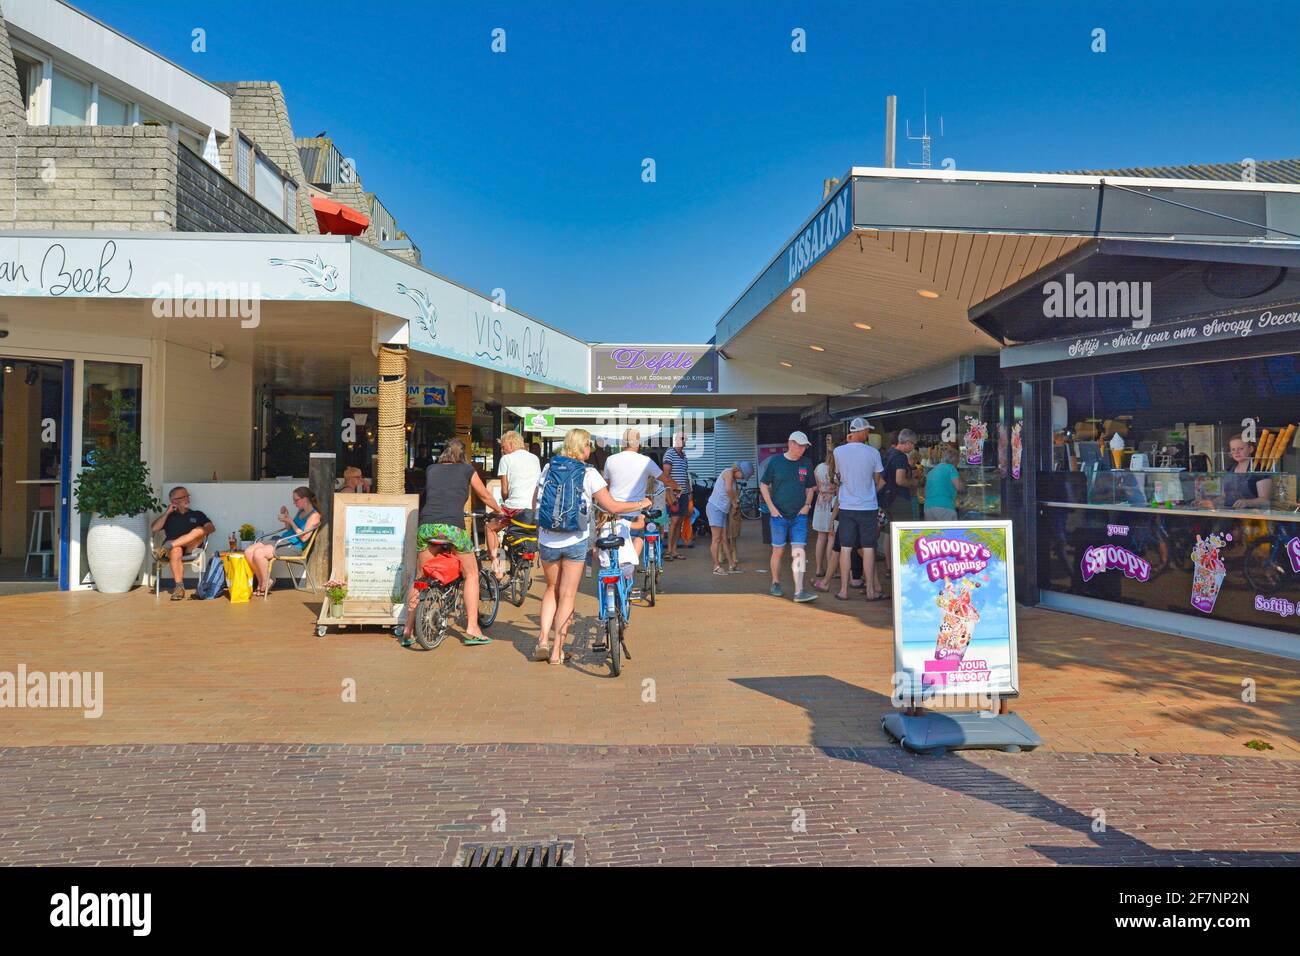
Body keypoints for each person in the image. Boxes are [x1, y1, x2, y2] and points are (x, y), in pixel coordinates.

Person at [532, 428, 649, 666]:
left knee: (551, 589)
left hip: (547, 539)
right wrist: (641, 503)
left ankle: (542, 640)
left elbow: (536, 501)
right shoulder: (589, 473)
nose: (590, 450)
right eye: (588, 446)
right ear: (583, 447)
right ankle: (556, 651)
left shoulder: (548, 468)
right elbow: (612, 507)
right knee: (567, 595)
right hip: (575, 540)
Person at [400, 438, 502, 647]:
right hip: (452, 529)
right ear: (463, 455)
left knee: (422, 575)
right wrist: (500, 511)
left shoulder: (431, 469)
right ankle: (472, 627)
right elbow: (483, 495)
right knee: (471, 574)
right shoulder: (466, 470)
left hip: (426, 527)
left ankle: (408, 629)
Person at [817, 417, 885, 601]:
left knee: (845, 548)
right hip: (868, 506)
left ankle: (843, 590)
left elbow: (839, 475)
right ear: (861, 432)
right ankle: (871, 590)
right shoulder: (873, 453)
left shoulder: (839, 452)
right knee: (869, 548)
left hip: (847, 506)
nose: (868, 434)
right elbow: (877, 479)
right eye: (867, 431)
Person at [602, 427, 680, 567]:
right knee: (636, 540)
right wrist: (677, 487)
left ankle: (618, 571)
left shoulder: (610, 460)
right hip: (636, 511)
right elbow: (665, 479)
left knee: (615, 545)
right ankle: (628, 569)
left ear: (622, 443)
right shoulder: (645, 461)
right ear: (638, 443)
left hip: (614, 511)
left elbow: (605, 486)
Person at [758, 431, 819, 602]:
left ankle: (799, 591)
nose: (802, 449)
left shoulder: (806, 463)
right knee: (778, 550)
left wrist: (807, 505)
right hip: (778, 516)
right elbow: (763, 485)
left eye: (804, 446)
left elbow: (810, 488)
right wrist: (771, 507)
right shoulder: (776, 462)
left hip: (799, 515)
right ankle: (775, 582)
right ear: (790, 443)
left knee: (799, 551)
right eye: (799, 445)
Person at [244, 487, 321, 598]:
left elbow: (304, 538)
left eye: (296, 500)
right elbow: (289, 529)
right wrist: (286, 517)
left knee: (259, 553)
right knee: (249, 551)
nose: (294, 503)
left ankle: (266, 582)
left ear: (305, 499)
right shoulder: (301, 511)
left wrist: (291, 521)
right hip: (283, 541)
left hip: (294, 547)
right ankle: (263, 580)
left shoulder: (314, 516)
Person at [489, 429, 542, 576]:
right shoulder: (535, 459)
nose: (502, 450)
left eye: (503, 446)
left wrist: (504, 504)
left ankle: (497, 567)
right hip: (532, 510)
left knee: (490, 528)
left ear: (512, 444)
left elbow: (504, 491)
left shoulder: (506, 459)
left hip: (514, 509)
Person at [149, 486, 215, 600]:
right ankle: (179, 588)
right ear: (174, 501)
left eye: (187, 496)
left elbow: (211, 528)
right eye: (183, 497)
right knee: (176, 549)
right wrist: (167, 512)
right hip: (174, 551)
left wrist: (200, 532)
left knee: (198, 530)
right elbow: (154, 529)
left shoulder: (197, 514)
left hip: (191, 547)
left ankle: (167, 546)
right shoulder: (169, 517)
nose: (187, 499)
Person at [1196, 435, 1272, 510]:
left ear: (1251, 449)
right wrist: (1210, 502)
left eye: (1240, 448)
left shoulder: (1260, 470)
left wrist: (1248, 502)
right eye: (1233, 449)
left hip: (1252, 517)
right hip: (1230, 515)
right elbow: (1224, 497)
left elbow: (1265, 500)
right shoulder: (1229, 470)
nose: (1236, 452)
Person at [706, 460, 753, 574]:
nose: (742, 478)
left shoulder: (734, 479)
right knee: (716, 539)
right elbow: (728, 489)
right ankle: (716, 567)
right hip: (715, 508)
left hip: (721, 510)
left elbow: (731, 491)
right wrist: (734, 501)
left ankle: (732, 565)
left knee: (724, 539)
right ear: (738, 470)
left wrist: (734, 505)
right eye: (743, 476)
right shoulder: (728, 472)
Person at [662, 431, 691, 561]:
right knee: (674, 522)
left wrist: (689, 492)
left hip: (684, 494)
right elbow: (666, 475)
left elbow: (685, 475)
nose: (683, 441)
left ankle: (674, 551)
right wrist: (670, 492)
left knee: (679, 521)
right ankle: (668, 551)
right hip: (674, 494)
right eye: (681, 438)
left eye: (685, 438)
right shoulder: (670, 453)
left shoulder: (683, 456)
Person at [881, 429, 920, 526]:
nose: (913, 447)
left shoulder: (889, 453)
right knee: (905, 530)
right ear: (908, 443)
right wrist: (913, 482)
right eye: (913, 444)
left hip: (887, 498)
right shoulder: (901, 457)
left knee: (889, 532)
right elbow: (900, 480)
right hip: (899, 498)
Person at [812, 440, 838, 580]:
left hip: (820, 502)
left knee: (820, 537)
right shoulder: (836, 469)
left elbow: (815, 485)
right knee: (831, 537)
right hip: (833, 503)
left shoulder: (818, 468)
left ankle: (818, 568)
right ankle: (831, 569)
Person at [924, 443, 966, 520]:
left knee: (933, 532)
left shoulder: (932, 471)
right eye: (958, 461)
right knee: (949, 531)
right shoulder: (951, 468)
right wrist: (964, 485)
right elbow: (959, 487)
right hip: (945, 507)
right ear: (954, 460)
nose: (958, 463)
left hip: (928, 507)